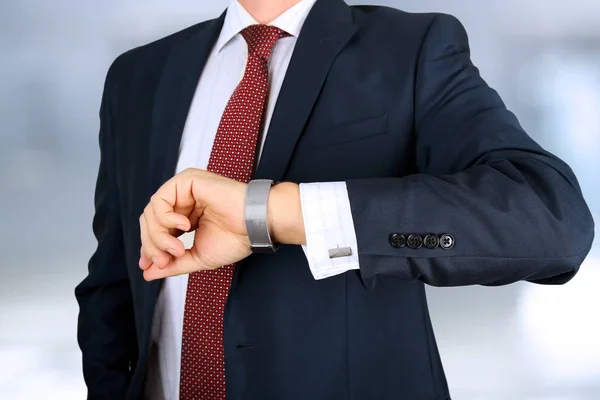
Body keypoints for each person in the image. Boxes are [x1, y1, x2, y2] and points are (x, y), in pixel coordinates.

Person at [75, 0, 595, 399]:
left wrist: (272, 212)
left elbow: (550, 220)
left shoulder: (411, 48)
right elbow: (113, 281)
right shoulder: (138, 76)